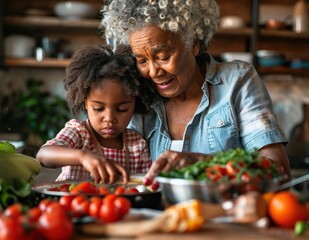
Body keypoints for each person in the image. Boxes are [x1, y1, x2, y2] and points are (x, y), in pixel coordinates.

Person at [100, 0, 291, 185]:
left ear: (194, 44)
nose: (153, 71)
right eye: (142, 61)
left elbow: (278, 170)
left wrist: (203, 162)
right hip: (159, 216)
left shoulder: (236, 81)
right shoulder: (136, 92)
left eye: (163, 57)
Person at [36, 45, 156, 184]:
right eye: (98, 108)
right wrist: (82, 157)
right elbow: (43, 155)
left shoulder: (137, 145)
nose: (109, 119)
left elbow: (145, 186)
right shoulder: (80, 134)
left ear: (136, 104)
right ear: (85, 102)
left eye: (122, 109)